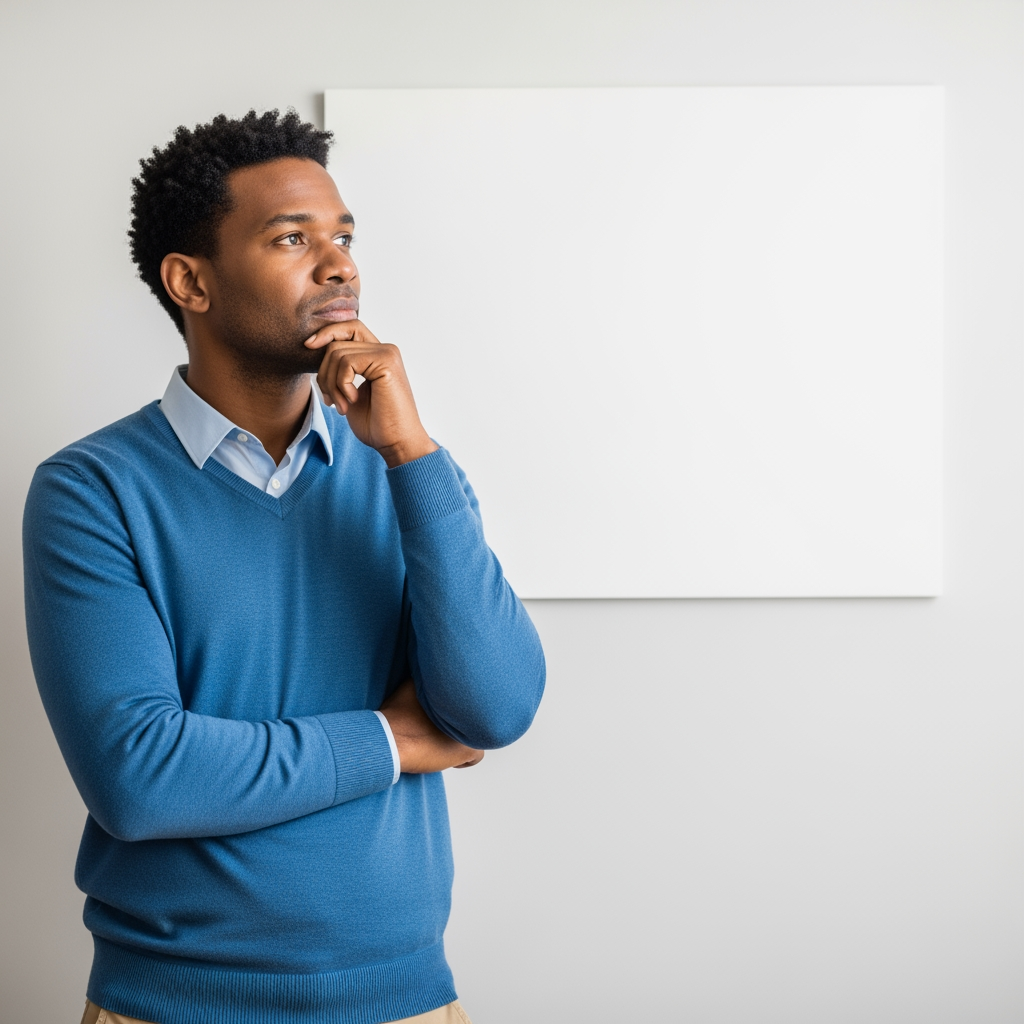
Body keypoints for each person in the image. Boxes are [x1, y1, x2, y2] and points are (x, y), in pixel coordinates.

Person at [22, 109, 546, 1024]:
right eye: (291, 238)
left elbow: (495, 709)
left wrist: (411, 456)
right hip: (169, 1008)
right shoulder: (89, 491)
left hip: (407, 1004)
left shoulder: (408, 471)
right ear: (191, 281)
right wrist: (392, 741)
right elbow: (140, 778)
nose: (339, 264)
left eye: (343, 236)